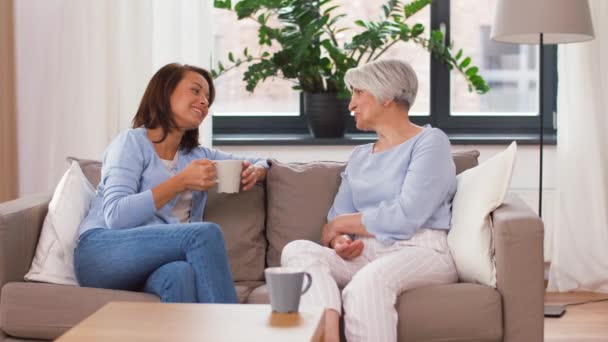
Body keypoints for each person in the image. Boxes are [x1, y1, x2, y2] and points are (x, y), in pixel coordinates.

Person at [281, 59, 459, 342]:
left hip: (420, 248)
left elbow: (406, 216)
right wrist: (339, 240)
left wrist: (340, 224)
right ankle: (327, 338)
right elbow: (336, 220)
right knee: (298, 250)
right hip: (366, 251)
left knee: (366, 285)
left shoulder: (430, 142)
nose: (351, 104)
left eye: (358, 93)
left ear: (386, 96)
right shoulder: (361, 156)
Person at [74, 63, 268, 303]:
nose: (204, 102)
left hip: (152, 264)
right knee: (204, 234)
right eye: (196, 91)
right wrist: (180, 182)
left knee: (180, 274)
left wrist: (258, 171)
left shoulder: (197, 155)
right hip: (102, 253)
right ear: (165, 93)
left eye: (208, 98)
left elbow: (261, 160)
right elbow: (116, 215)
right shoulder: (131, 143)